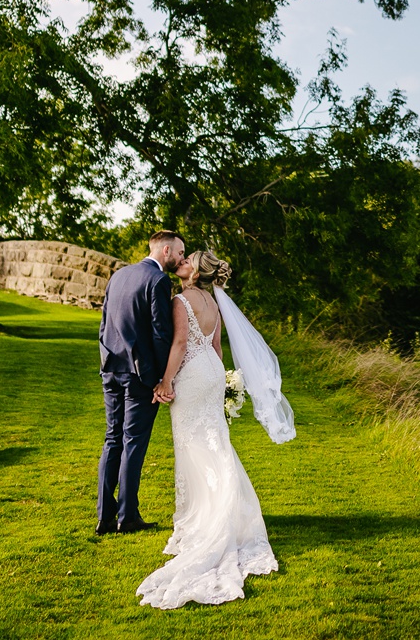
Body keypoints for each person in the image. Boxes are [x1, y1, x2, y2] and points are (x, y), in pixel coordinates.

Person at [136, 249, 295, 608]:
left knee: (193, 445)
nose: (182, 263)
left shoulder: (181, 301)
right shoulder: (212, 302)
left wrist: (166, 381)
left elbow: (180, 343)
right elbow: (217, 347)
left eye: (187, 261)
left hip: (192, 375)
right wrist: (220, 382)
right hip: (211, 371)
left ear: (195, 272)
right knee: (215, 442)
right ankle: (223, 507)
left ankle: (207, 517)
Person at [95, 231, 182, 534]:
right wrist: (161, 378)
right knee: (132, 442)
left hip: (111, 368)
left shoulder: (119, 275)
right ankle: (127, 517)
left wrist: (105, 359)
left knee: (112, 439)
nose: (181, 258)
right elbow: (160, 334)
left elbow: (104, 324)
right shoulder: (158, 281)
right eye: (180, 252)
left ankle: (105, 516)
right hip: (139, 376)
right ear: (166, 250)